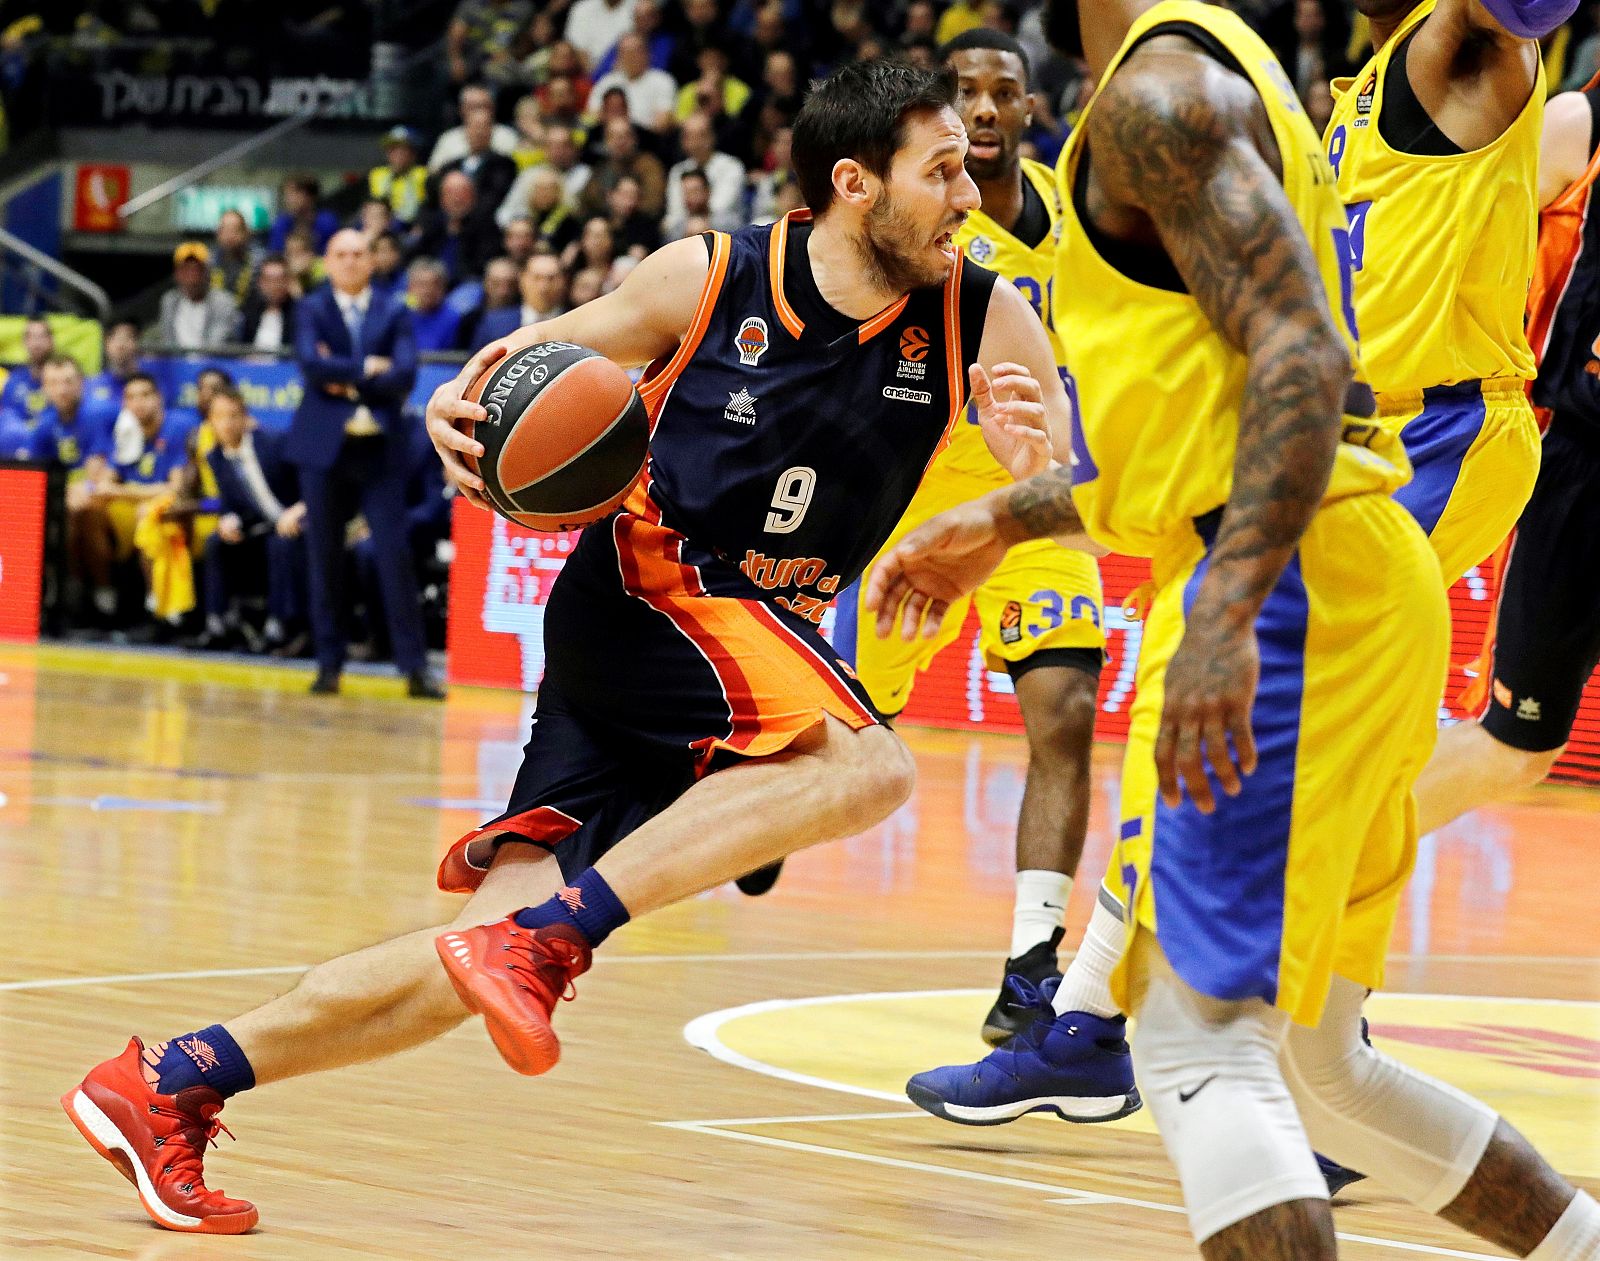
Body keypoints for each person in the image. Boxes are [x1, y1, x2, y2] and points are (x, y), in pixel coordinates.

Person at [60, 58, 1063, 1235]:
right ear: (853, 183)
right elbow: (527, 362)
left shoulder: (985, 313)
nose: (971, 193)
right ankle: (554, 941)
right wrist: (456, 400)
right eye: (942, 169)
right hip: (652, 584)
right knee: (869, 767)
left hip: (757, 628)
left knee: (463, 962)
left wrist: (1023, 479)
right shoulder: (713, 273)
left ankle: (170, 1080)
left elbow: (1087, 492)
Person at [869, 3, 1600, 1260]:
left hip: (1293, 570)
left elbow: (1305, 363)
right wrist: (1008, 512)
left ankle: (1078, 1031)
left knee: (1197, 1049)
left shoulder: (1167, 94)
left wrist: (1227, 604)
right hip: (1346, 568)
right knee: (1321, 1071)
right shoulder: (1220, 77)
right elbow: (1195, 426)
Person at [843, 28, 1107, 1050]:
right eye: (965, 94)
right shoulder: (914, 225)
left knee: (1068, 708)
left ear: (1031, 113)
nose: (986, 108)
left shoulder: (1078, 212)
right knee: (857, 738)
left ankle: (1031, 965)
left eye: (1003, 93)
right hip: (918, 509)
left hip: (1034, 502)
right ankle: (776, 796)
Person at [1410, 76, 1600, 839]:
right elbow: (1469, 256)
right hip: (1579, 465)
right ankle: (1318, 869)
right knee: (1518, 742)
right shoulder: (1575, 124)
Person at [280, 229, 442, 700]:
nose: (350, 262)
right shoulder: (311, 308)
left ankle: (414, 668)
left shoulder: (394, 309)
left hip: (380, 452)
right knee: (324, 557)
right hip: (323, 450)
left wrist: (344, 375)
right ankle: (329, 664)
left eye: (359, 254)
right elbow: (310, 364)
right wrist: (368, 369)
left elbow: (406, 373)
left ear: (372, 261)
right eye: (341, 255)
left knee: (395, 557)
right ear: (327, 262)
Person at [199, 387, 307, 654]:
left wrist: (299, 509)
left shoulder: (274, 442)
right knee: (216, 542)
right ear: (210, 421)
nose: (227, 423)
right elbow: (230, 504)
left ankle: (280, 624)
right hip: (263, 527)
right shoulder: (216, 457)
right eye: (220, 417)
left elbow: (312, 484)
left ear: (246, 418)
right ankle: (218, 622)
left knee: (279, 543)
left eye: (234, 416)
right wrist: (228, 519)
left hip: (301, 521)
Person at [408, 171, 501, 285]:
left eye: (462, 193)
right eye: (450, 193)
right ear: (441, 199)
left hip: (467, 284)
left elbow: (480, 268)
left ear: (473, 197)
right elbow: (417, 255)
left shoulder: (487, 227)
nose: (456, 198)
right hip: (429, 283)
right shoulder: (432, 223)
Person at [664, 111, 748, 231]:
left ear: (712, 137)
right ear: (683, 142)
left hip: (725, 228)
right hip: (686, 226)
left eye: (701, 135)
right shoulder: (678, 171)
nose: (696, 142)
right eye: (690, 136)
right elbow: (675, 210)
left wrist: (698, 220)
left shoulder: (732, 166)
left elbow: (722, 206)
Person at [434, 101, 520, 215]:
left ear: (491, 131)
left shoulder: (504, 165)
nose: (479, 132)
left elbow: (494, 198)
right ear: (465, 130)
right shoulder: (451, 166)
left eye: (484, 127)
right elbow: (434, 195)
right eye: (474, 127)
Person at [586, 31, 677, 132]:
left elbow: (663, 122)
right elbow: (592, 116)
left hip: (647, 139)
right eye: (625, 52)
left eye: (635, 51)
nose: (630, 57)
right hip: (610, 138)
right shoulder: (607, 81)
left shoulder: (663, 81)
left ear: (647, 54)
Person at [580, 115, 667, 219]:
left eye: (625, 136)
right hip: (608, 224)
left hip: (641, 223)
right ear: (606, 141)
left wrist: (628, 205)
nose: (620, 141)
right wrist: (612, 205)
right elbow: (588, 201)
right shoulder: (601, 167)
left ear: (634, 139)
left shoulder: (649, 165)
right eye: (614, 136)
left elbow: (654, 203)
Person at [157, 243, 239, 351]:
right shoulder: (169, 301)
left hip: (211, 364)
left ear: (208, 273)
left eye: (197, 269)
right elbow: (166, 339)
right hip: (176, 363)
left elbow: (217, 344)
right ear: (177, 273)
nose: (192, 276)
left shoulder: (223, 302)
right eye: (186, 269)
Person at [473, 252, 567, 344]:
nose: (543, 287)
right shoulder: (493, 323)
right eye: (536, 278)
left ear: (564, 281)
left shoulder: (576, 323)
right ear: (522, 280)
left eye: (551, 278)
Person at [428, 83, 521, 172]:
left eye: (485, 106)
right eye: (474, 107)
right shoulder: (448, 139)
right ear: (461, 110)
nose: (480, 112)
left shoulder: (507, 137)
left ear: (493, 108)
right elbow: (434, 174)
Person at [0, 316, 55, 442]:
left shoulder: (62, 378)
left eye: (42, 336)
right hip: (20, 445)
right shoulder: (13, 381)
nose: (37, 343)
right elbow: (7, 419)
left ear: (51, 341)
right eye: (32, 337)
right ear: (25, 342)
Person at [368, 126, 430, 227]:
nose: (397, 154)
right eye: (392, 149)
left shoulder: (423, 175)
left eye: (403, 149)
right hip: (383, 224)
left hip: (412, 225)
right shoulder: (377, 174)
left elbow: (422, 208)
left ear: (413, 152)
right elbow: (376, 204)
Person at [235, 255, 297, 353]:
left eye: (279, 279)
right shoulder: (248, 312)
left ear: (288, 281)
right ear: (260, 282)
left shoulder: (299, 314)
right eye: (269, 279)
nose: (274, 285)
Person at [266, 175, 338, 254]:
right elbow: (276, 254)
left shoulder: (326, 222)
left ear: (309, 196)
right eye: (286, 195)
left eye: (293, 194)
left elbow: (331, 253)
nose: (288, 200)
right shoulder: (281, 223)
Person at [405, 258, 464, 352]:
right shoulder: (400, 315)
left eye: (433, 285)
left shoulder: (454, 318)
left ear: (443, 287)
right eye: (421, 284)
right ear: (410, 287)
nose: (427, 291)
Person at [85, 320, 143, 415]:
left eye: (127, 337)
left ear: (137, 343)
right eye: (114, 338)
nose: (120, 345)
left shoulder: (151, 383)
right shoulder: (91, 384)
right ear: (106, 344)